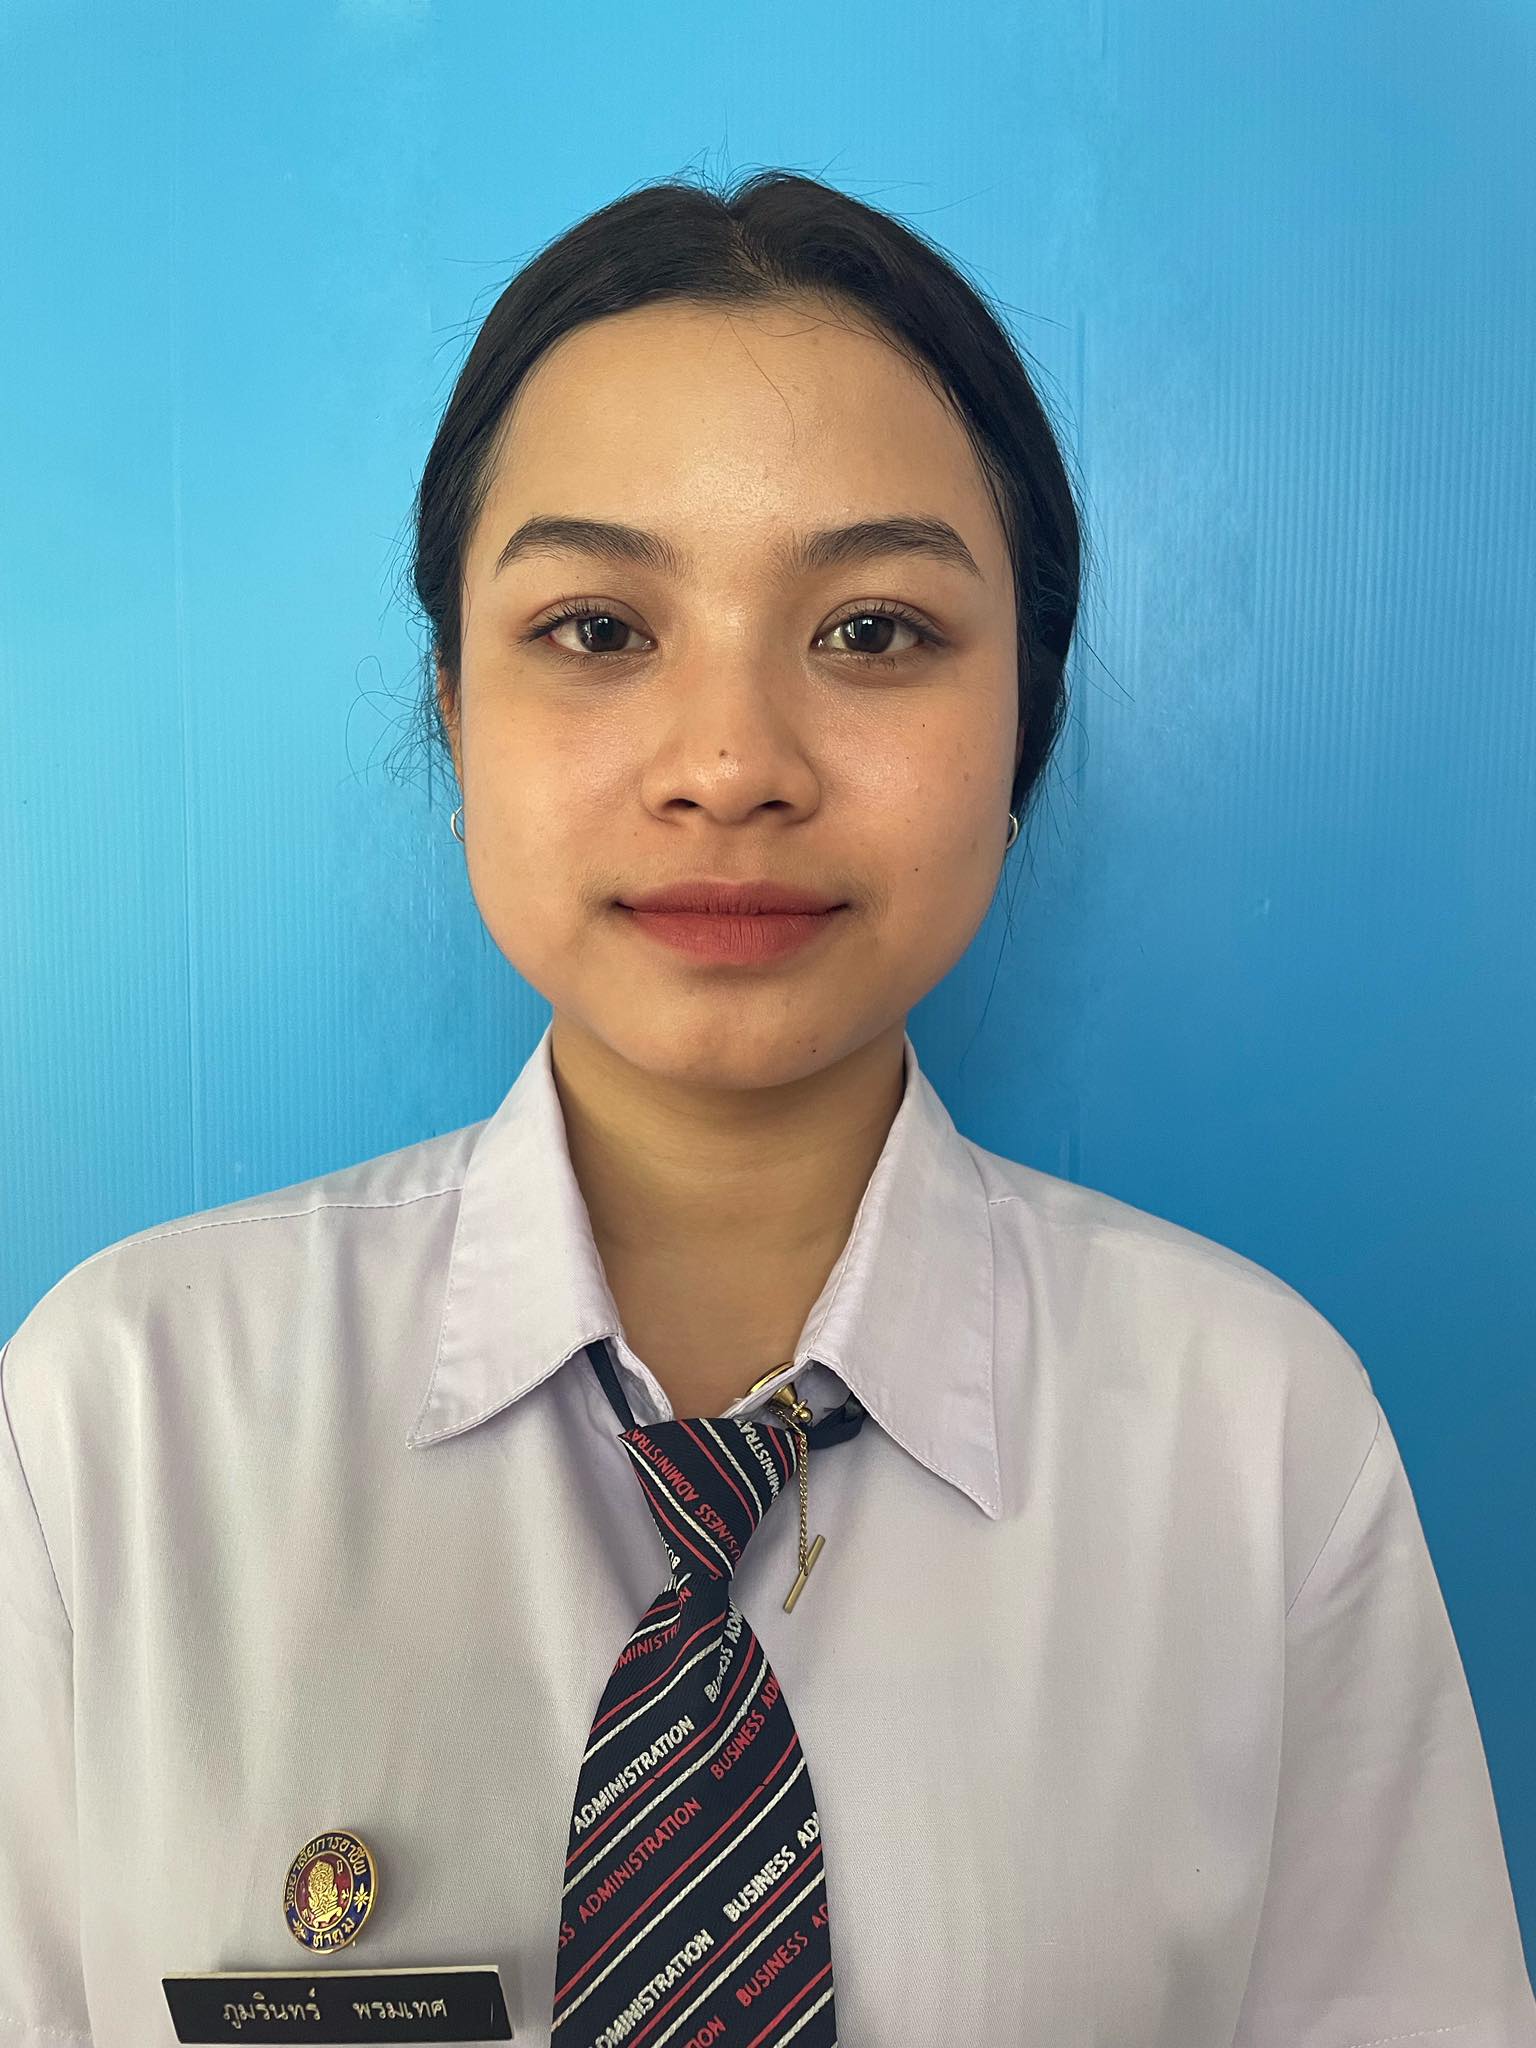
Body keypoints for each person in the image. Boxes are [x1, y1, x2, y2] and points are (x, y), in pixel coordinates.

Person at [2, 168, 1532, 2048]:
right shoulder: (113, 1425)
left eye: (874, 631)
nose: (730, 766)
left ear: (1027, 724)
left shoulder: (1261, 1437)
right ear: (454, 709)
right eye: (597, 628)